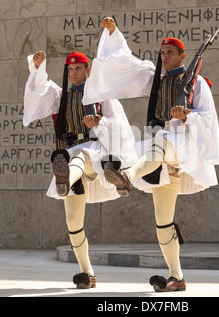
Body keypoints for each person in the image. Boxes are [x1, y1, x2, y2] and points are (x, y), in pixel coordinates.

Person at [83, 17, 219, 292]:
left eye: (170, 52)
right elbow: (126, 65)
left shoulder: (197, 84)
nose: (165, 56)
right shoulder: (154, 80)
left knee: (157, 144)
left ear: (183, 56)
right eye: (162, 52)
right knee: (162, 221)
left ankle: (127, 177)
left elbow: (208, 119)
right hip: (159, 158)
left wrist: (188, 115)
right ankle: (176, 277)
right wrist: (113, 35)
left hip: (184, 147)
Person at [23, 50, 137, 289]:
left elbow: (120, 126)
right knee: (73, 222)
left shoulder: (101, 96)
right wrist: (38, 67)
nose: (74, 73)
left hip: (94, 155)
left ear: (88, 70)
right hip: (71, 154)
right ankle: (88, 273)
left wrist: (100, 123)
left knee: (80, 155)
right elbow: (41, 90)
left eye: (78, 69)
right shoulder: (62, 97)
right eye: (71, 69)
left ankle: (64, 179)